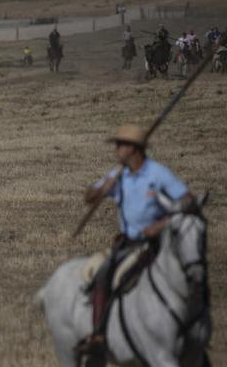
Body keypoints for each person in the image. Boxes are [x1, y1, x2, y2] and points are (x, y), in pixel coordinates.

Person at [76, 124, 191, 354]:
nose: (116, 150)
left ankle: (194, 333)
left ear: (134, 149)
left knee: (192, 277)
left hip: (158, 243)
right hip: (129, 245)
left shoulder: (157, 173)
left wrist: (161, 224)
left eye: (120, 145)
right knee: (103, 275)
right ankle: (98, 334)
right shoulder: (117, 175)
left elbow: (188, 199)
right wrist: (101, 189)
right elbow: (88, 197)